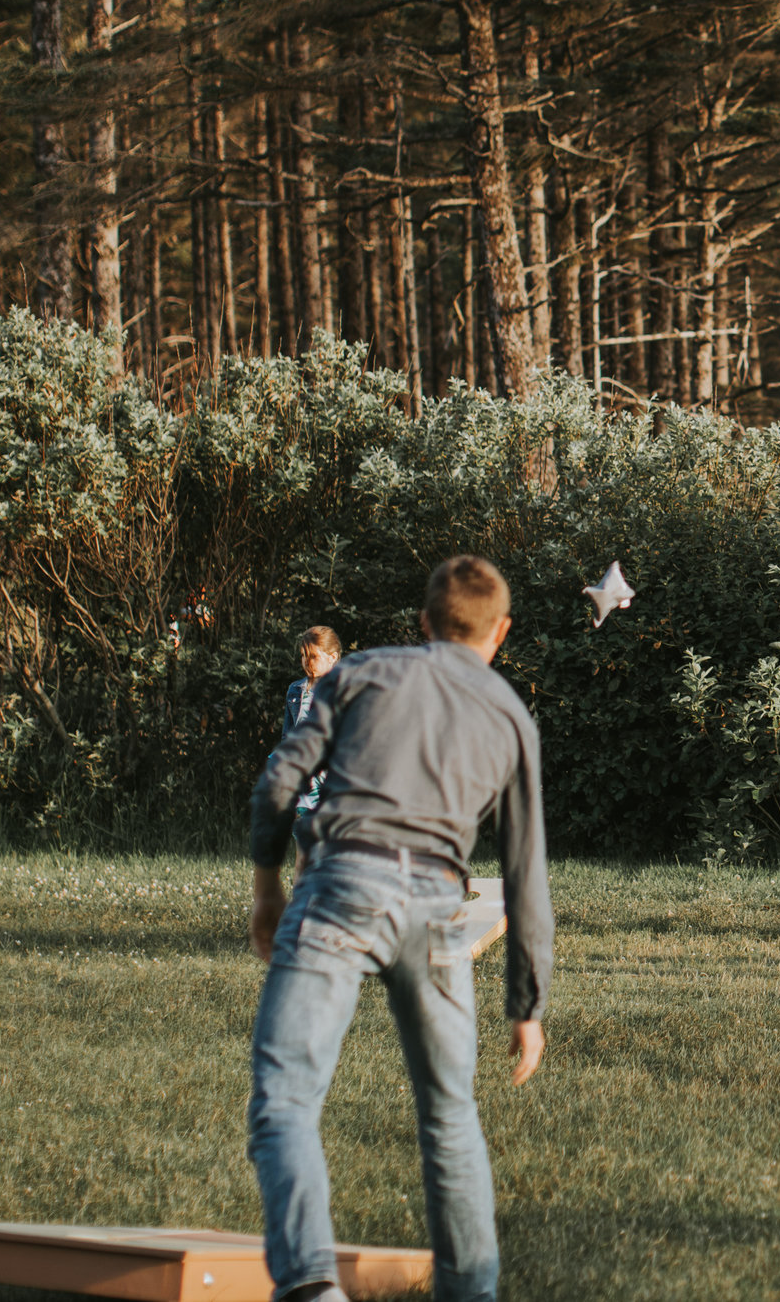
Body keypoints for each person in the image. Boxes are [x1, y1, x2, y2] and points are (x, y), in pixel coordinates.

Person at [247, 556, 552, 1302]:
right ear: (501, 632)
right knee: (449, 1117)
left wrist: (265, 887)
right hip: (439, 909)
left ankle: (312, 1286)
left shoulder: (362, 675)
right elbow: (524, 872)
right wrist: (528, 1005)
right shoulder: (512, 716)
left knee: (286, 1097)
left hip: (339, 883)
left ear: (422, 624)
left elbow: (280, 782)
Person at [280, 626, 344, 872]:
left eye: (313, 656)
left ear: (333, 658)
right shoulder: (296, 691)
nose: (307, 662)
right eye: (303, 656)